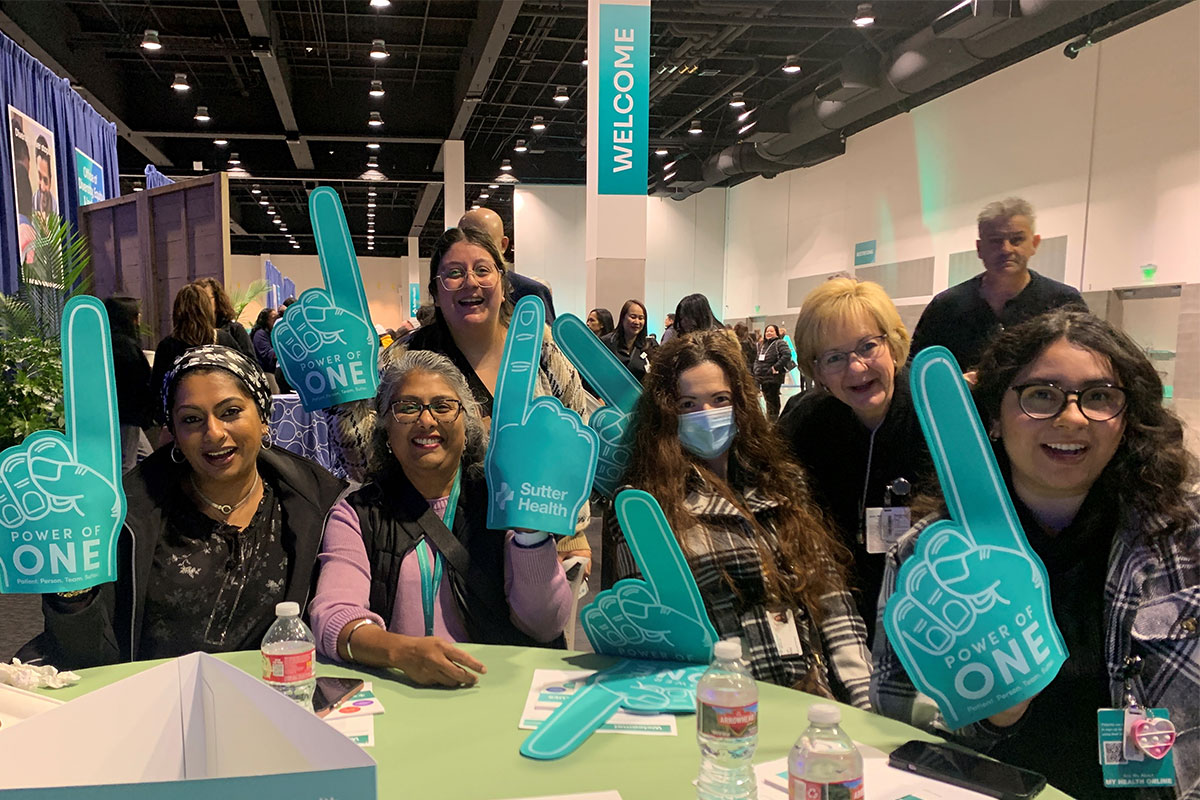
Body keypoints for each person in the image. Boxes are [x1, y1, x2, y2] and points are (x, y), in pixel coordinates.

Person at [872, 310, 1199, 798]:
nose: (1071, 417)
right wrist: (988, 713)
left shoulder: (1184, 539)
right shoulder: (929, 557)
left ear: (1128, 420)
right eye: (1041, 394)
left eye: (1099, 397)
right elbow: (896, 726)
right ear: (995, 419)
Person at [34, 346, 347, 669]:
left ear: (263, 417)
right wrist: (71, 585)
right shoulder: (128, 516)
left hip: (271, 702)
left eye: (230, 412)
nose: (213, 432)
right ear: (174, 432)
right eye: (192, 419)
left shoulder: (313, 506)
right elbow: (88, 658)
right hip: (158, 705)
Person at [611, 330, 872, 704]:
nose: (706, 415)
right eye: (688, 404)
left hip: (810, 699)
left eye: (720, 400)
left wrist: (864, 699)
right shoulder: (646, 507)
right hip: (720, 708)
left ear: (740, 403)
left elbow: (832, 601)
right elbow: (656, 638)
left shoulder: (780, 481)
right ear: (667, 413)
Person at [309, 351, 572, 686]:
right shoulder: (356, 515)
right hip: (399, 695)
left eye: (443, 406)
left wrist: (530, 533)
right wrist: (400, 652)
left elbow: (545, 625)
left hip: (498, 692)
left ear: (468, 423)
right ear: (386, 430)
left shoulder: (505, 501)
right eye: (407, 408)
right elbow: (333, 615)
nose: (427, 421)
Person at [333, 226, 592, 564]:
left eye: (483, 270)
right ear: (435, 292)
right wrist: (342, 397)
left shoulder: (536, 345)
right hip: (433, 539)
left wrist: (573, 530)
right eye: (453, 273)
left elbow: (576, 431)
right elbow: (363, 459)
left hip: (540, 538)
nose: (470, 281)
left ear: (503, 284)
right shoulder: (403, 357)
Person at [779, 278, 932, 644]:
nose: (857, 369)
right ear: (815, 370)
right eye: (834, 357)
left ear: (893, 344)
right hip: (836, 618)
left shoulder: (938, 414)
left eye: (867, 346)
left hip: (928, 618)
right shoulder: (804, 423)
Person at [909, 197, 1086, 370]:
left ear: (1034, 244)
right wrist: (955, 384)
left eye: (1016, 240)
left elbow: (1086, 362)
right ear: (979, 248)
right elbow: (917, 368)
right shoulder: (946, 306)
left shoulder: (1064, 301)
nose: (1006, 249)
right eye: (995, 241)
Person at [151, 283, 237, 426]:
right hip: (221, 412)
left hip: (184, 417)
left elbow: (157, 389)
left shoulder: (167, 346)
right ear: (207, 309)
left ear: (178, 311)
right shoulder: (223, 339)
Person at [458, 207, 556, 322]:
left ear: (503, 245)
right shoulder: (448, 289)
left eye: (484, 242)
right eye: (464, 240)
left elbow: (547, 338)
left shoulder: (531, 293)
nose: (475, 249)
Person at [104, 296, 154, 472]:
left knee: (146, 459)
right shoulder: (126, 347)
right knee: (127, 465)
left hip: (113, 415)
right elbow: (139, 380)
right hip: (127, 416)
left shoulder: (106, 343)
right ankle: (125, 499)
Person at [196, 276, 256, 363]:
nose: (201, 304)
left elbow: (252, 364)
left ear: (217, 300)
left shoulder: (235, 330)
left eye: (206, 299)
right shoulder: (190, 335)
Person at [601, 299, 657, 382]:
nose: (637, 322)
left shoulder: (650, 345)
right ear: (623, 318)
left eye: (641, 318)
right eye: (633, 317)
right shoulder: (606, 343)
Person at [753, 324, 791, 421]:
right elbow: (757, 358)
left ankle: (774, 420)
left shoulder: (780, 343)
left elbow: (787, 355)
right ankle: (770, 420)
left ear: (776, 333)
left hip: (774, 377)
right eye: (767, 331)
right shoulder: (762, 345)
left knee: (773, 399)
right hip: (762, 376)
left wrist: (775, 367)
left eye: (771, 331)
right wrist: (756, 369)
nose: (768, 333)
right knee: (767, 400)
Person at [250, 307, 278, 374]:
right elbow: (267, 354)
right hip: (265, 373)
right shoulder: (260, 334)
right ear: (266, 320)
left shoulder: (273, 333)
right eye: (274, 318)